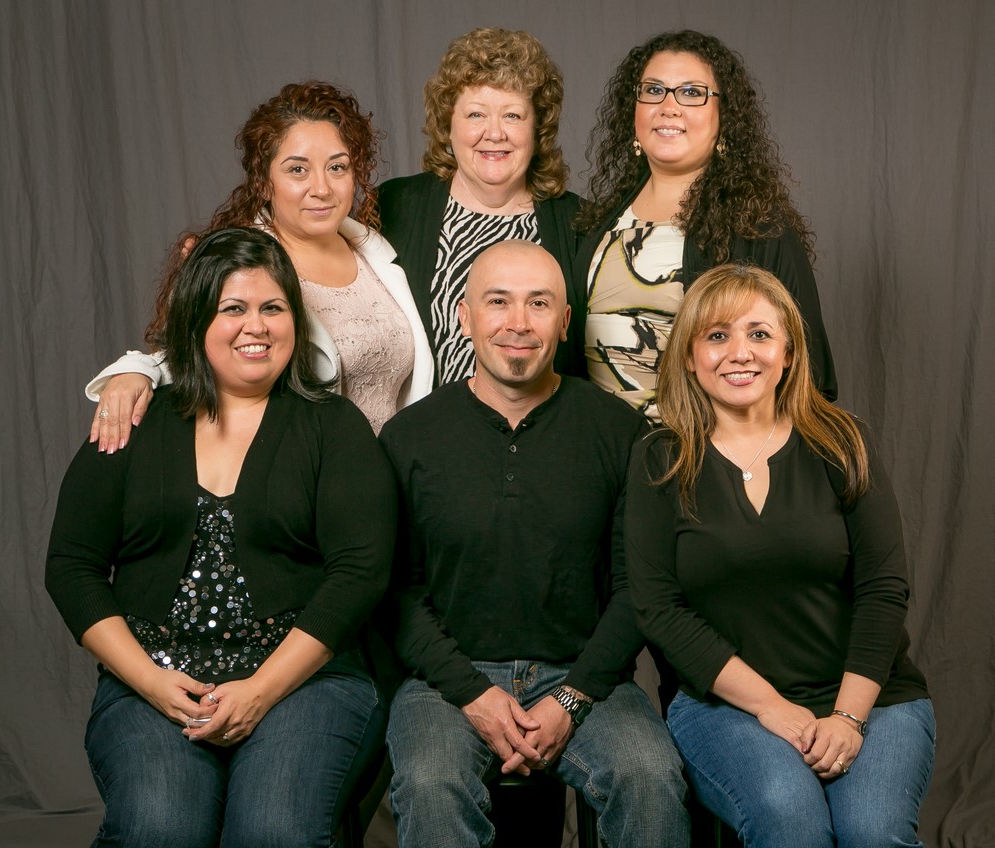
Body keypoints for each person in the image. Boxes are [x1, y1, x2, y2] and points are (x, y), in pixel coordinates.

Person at [46, 228, 397, 847]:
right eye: (232, 308)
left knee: (274, 832)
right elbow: (71, 566)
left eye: (272, 307)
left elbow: (359, 572)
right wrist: (151, 680)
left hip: (304, 684)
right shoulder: (136, 420)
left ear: (296, 318)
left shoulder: (333, 427)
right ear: (196, 320)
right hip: (154, 685)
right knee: (162, 827)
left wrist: (260, 691)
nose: (254, 327)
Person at [378, 240, 689, 847]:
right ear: (463, 317)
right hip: (448, 683)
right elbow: (396, 593)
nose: (518, 324)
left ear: (565, 321)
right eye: (498, 302)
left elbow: (639, 590)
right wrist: (473, 694)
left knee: (651, 775)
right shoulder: (409, 437)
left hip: (585, 677)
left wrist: (572, 698)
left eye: (539, 304)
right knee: (429, 782)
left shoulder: (620, 432)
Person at [625, 263, 934, 847]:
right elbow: (659, 609)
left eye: (759, 334)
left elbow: (883, 587)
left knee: (872, 831)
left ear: (789, 353)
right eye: (717, 336)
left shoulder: (844, 443)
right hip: (726, 708)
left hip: (872, 696)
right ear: (689, 357)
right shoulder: (659, 460)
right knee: (789, 819)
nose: (739, 352)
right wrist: (771, 707)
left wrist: (847, 717)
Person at [89, 81, 432, 445]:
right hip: (306, 478)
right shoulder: (241, 265)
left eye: (337, 167)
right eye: (298, 170)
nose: (322, 188)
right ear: (264, 182)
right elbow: (186, 354)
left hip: (394, 480)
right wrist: (133, 373)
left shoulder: (376, 255)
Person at [576, 30, 837, 422]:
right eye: (654, 90)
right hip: (598, 460)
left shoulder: (759, 227)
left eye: (692, 92)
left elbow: (808, 372)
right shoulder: (598, 223)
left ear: (724, 116)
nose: (669, 106)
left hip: (698, 462)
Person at [378, 27, 584, 384]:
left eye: (512, 116)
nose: (494, 133)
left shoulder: (579, 224)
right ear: (448, 125)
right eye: (476, 115)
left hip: (544, 435)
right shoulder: (394, 207)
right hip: (424, 434)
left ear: (537, 128)